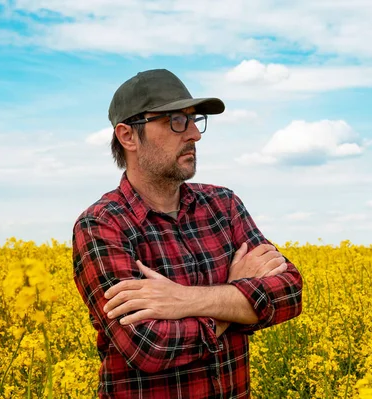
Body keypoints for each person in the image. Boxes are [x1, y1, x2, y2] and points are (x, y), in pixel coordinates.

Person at [71, 68, 303, 398]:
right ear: (128, 136)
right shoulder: (102, 225)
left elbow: (289, 293)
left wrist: (184, 300)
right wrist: (234, 297)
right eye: (176, 121)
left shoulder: (223, 205)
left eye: (194, 120)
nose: (195, 133)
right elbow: (148, 347)